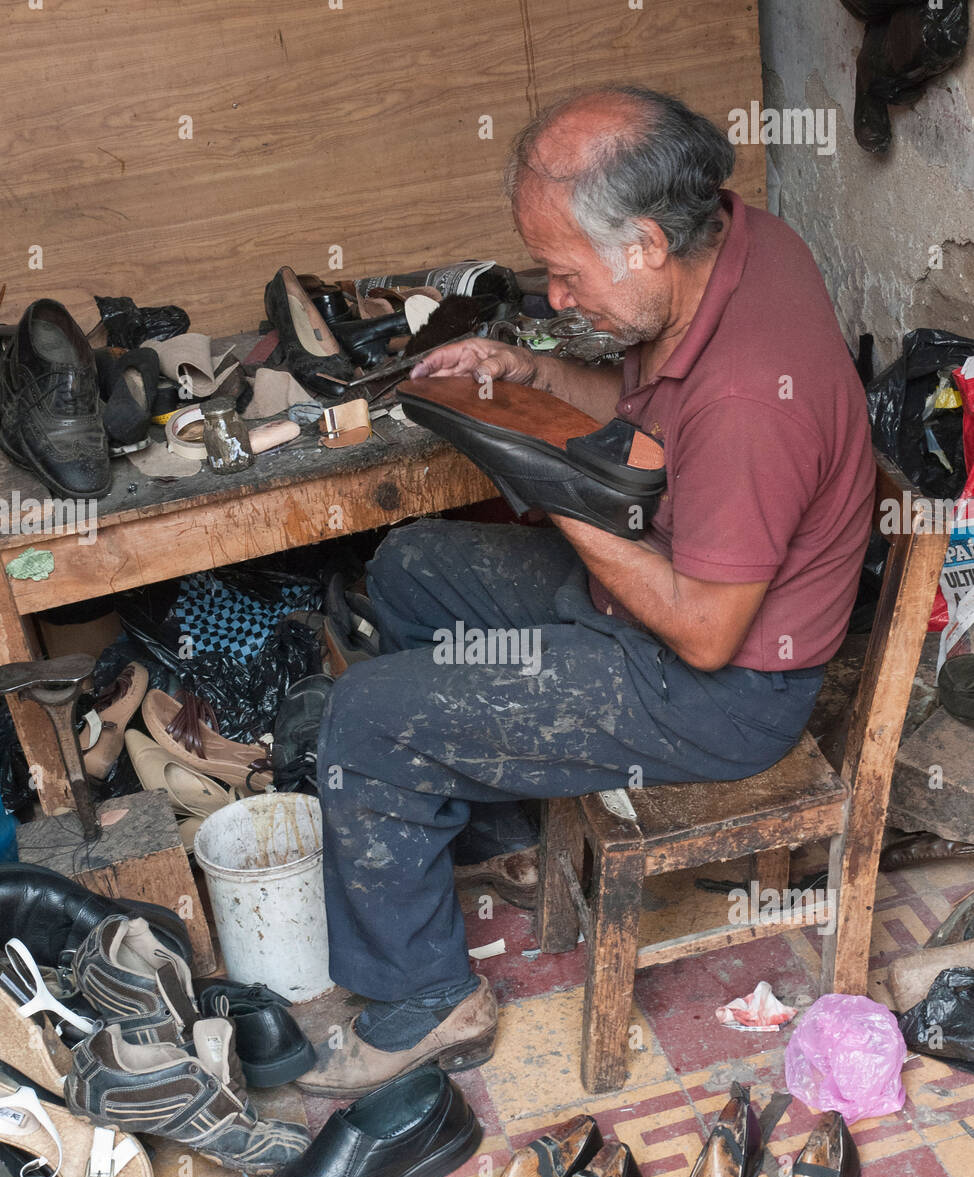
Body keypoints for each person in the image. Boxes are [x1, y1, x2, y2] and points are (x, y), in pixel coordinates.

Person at [297, 85, 874, 1098]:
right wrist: (523, 372)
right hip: (668, 579)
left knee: (367, 719)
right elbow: (652, 413)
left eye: (564, 273)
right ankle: (501, 833)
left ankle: (428, 1001)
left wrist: (557, 492)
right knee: (410, 567)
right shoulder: (730, 243)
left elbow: (700, 632)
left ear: (645, 241)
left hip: (712, 687)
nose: (556, 298)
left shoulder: (750, 400)